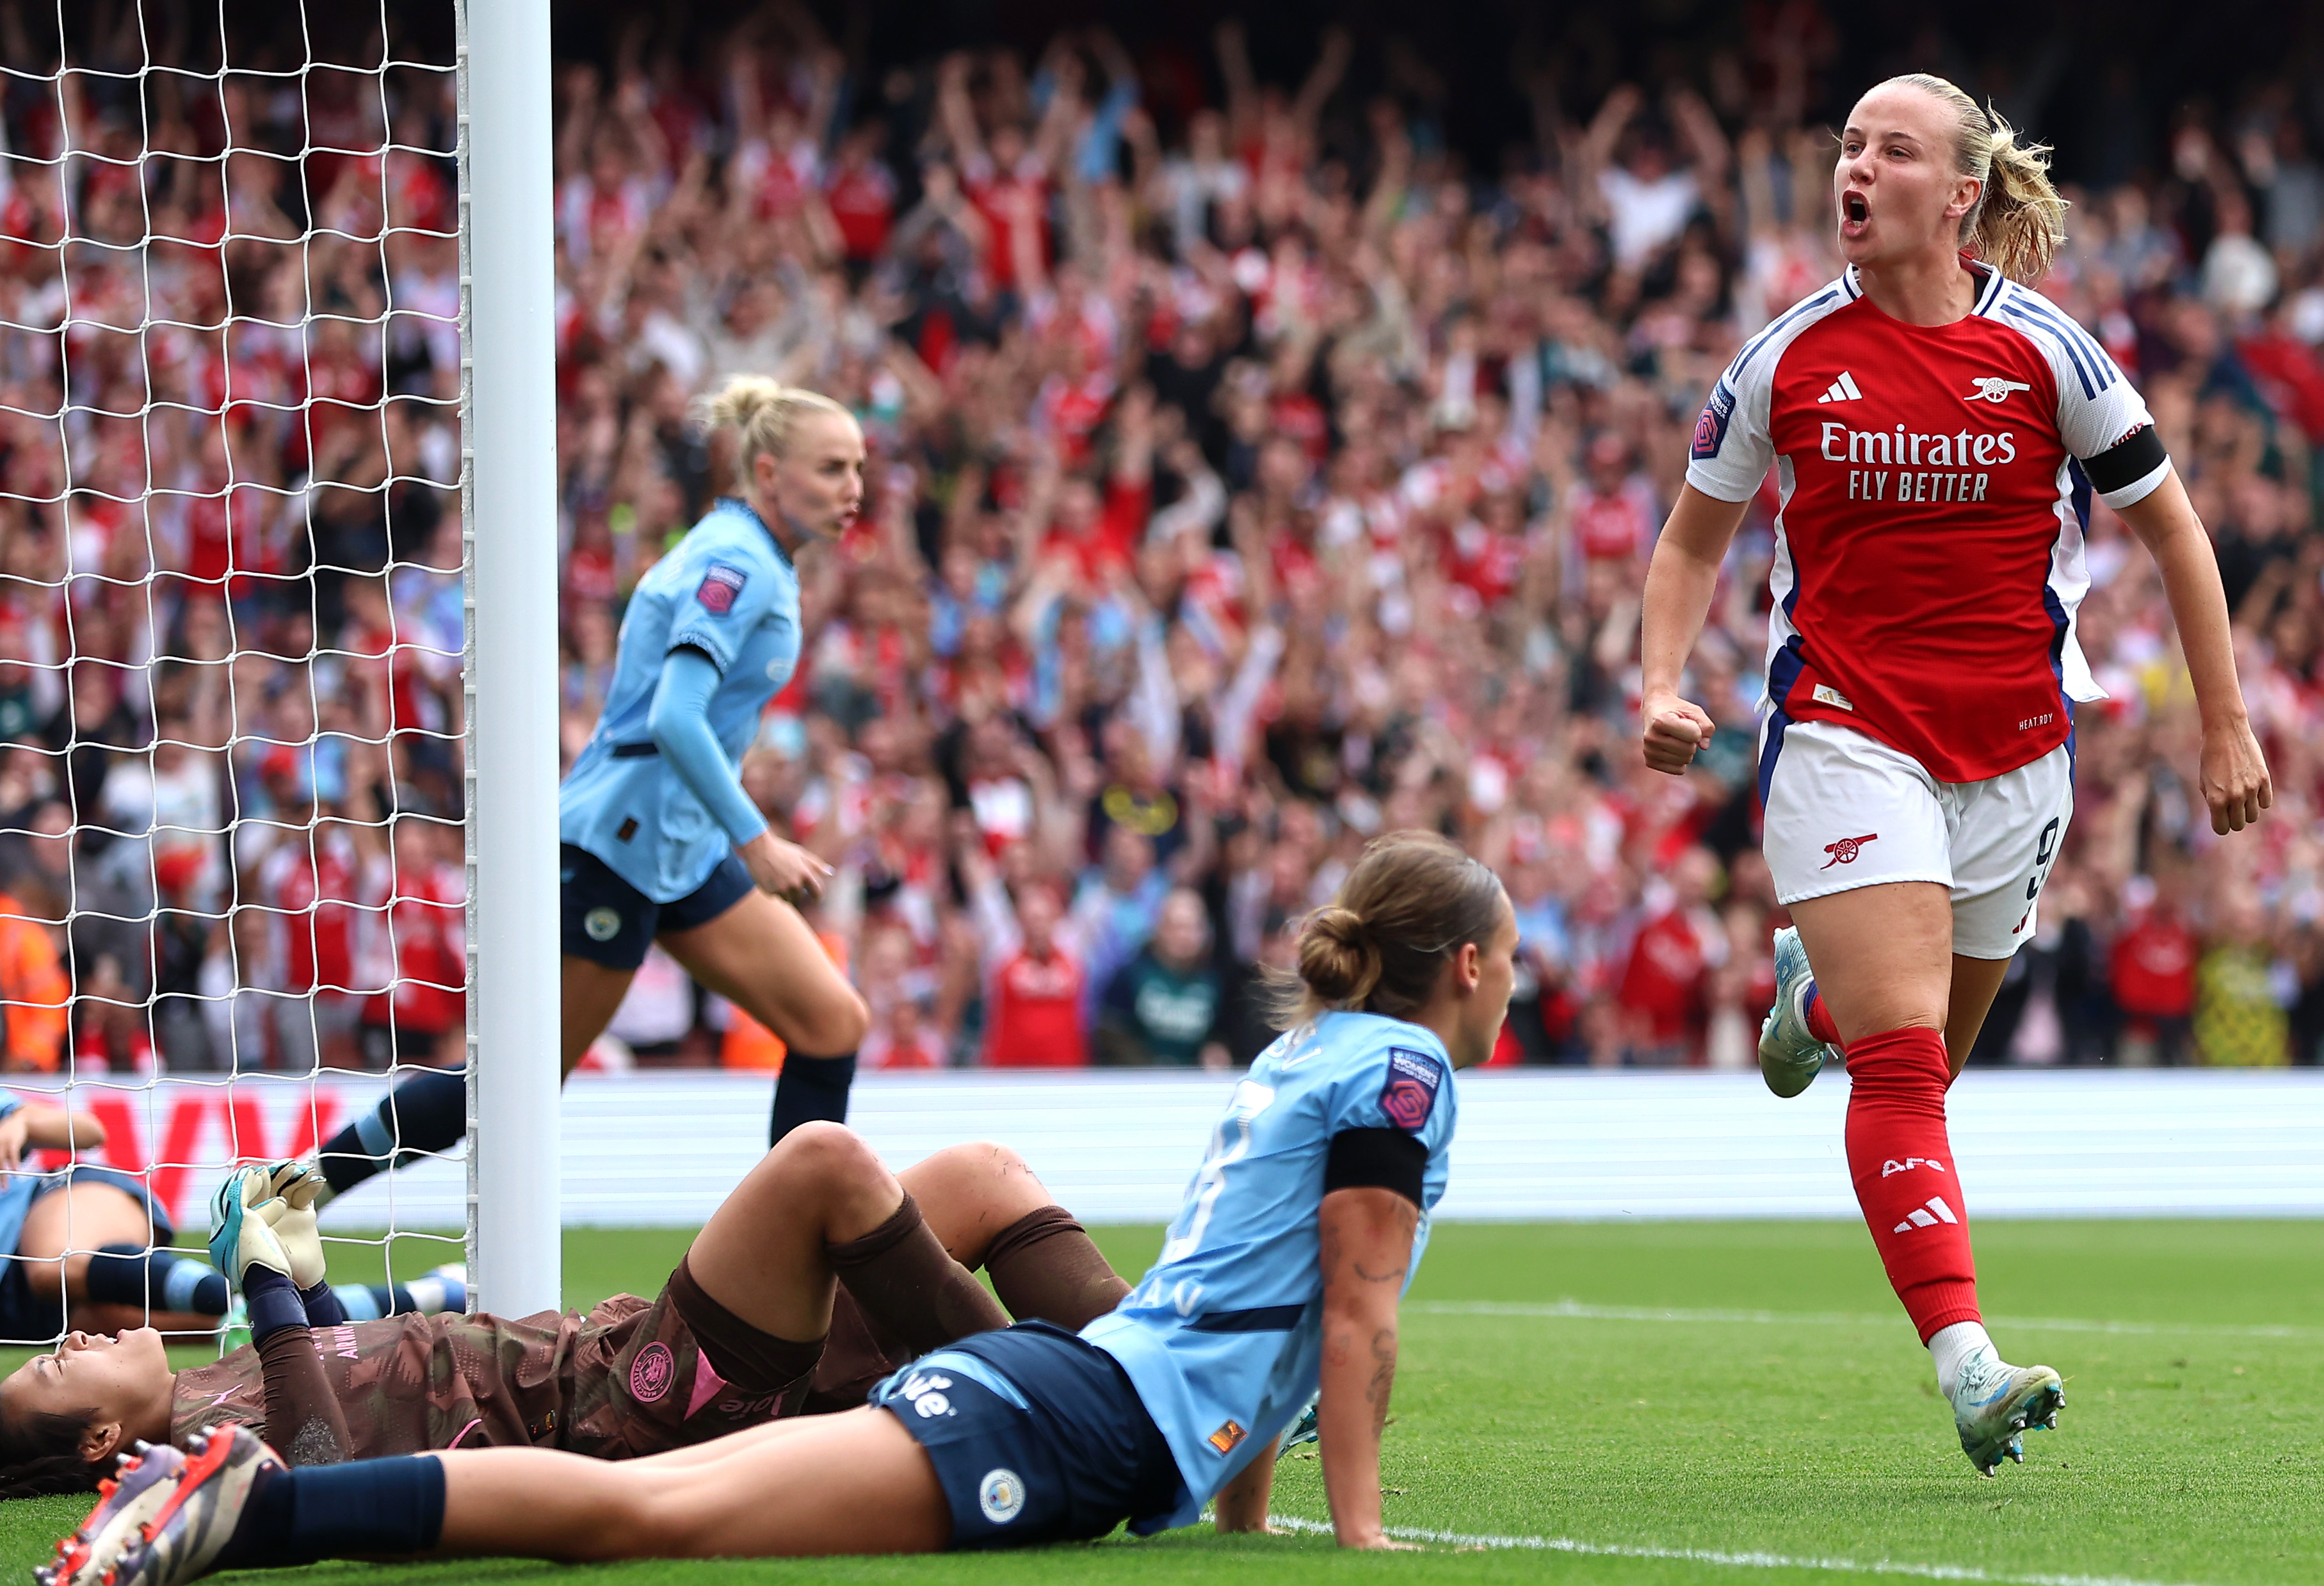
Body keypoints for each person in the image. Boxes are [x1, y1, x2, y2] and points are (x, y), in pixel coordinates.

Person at [43, 830, 1513, 1580]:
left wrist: (1247, 1508)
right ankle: (256, 1520)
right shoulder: (1399, 1075)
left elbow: (1240, 1315)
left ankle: (252, 1522)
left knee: (632, 1518)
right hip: (1045, 1412)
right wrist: (1359, 1542)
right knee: (632, 1522)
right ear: (1461, 967)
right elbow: (1352, 1310)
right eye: (1507, 963)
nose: (67, 1343)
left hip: (1060, 1395)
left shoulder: (1313, 1051)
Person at [1640, 74, 2273, 1476]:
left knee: (1931, 1061)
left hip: (2016, 759)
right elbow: (1691, 543)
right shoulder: (1785, 359)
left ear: (1961, 196)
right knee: (1909, 1067)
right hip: (1847, 731)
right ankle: (1970, 1365)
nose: (1855, 170)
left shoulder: (2052, 356)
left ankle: (1817, 993)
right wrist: (1661, 682)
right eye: (1848, 148)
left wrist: (2223, 724)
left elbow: (2173, 533)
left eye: (1891, 150)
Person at [291, 377, 876, 1212]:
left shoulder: (753, 553)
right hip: (622, 843)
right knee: (510, 1089)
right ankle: (285, 1194)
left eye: (856, 467)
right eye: (830, 468)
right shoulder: (738, 564)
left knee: (831, 1025)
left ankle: (779, 1258)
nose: (852, 487)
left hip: (676, 845)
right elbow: (675, 716)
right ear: (769, 470)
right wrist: (757, 837)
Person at [6, 1128, 1128, 1502]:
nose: (71, 1342)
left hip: (621, 1350)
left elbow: (337, 1373)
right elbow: (318, 1468)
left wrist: (293, 1269)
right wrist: (264, 1293)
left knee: (980, 1175)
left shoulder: (208, 1388)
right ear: (105, 1440)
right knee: (822, 1163)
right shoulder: (202, 1466)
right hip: (625, 1405)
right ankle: (1077, 1417)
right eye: (57, 1372)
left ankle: (1154, 1378)